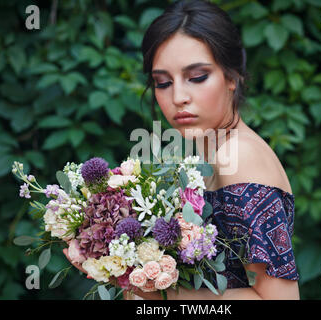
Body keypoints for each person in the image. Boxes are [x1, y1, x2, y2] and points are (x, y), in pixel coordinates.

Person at [64, 0, 300, 300]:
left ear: (232, 77)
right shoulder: (203, 156)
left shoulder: (241, 157)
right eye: (162, 82)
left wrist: (149, 289)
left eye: (197, 77)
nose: (178, 97)